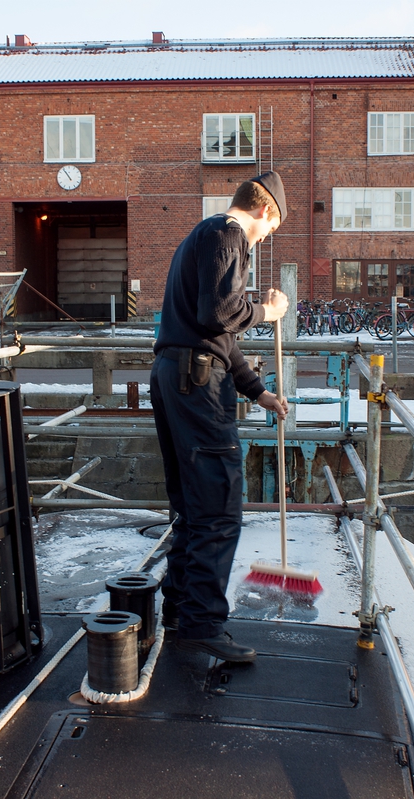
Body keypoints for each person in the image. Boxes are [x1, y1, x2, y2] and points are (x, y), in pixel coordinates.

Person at [151, 171, 290, 663]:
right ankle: (203, 624)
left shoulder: (201, 237)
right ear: (265, 212)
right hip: (196, 382)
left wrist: (258, 392)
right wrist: (267, 312)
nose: (267, 237)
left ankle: (181, 611)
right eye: (272, 228)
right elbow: (221, 314)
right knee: (218, 504)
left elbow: (218, 334)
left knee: (192, 505)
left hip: (176, 373)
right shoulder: (227, 234)